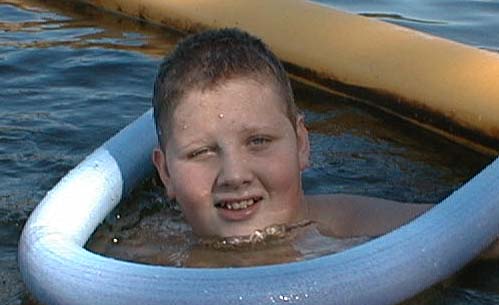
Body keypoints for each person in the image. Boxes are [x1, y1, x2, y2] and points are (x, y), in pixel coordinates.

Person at [151, 27, 431, 244]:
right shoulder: (149, 254)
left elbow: (463, 229)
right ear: (166, 173)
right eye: (201, 153)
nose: (235, 176)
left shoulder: (357, 228)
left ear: (301, 145)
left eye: (258, 141)